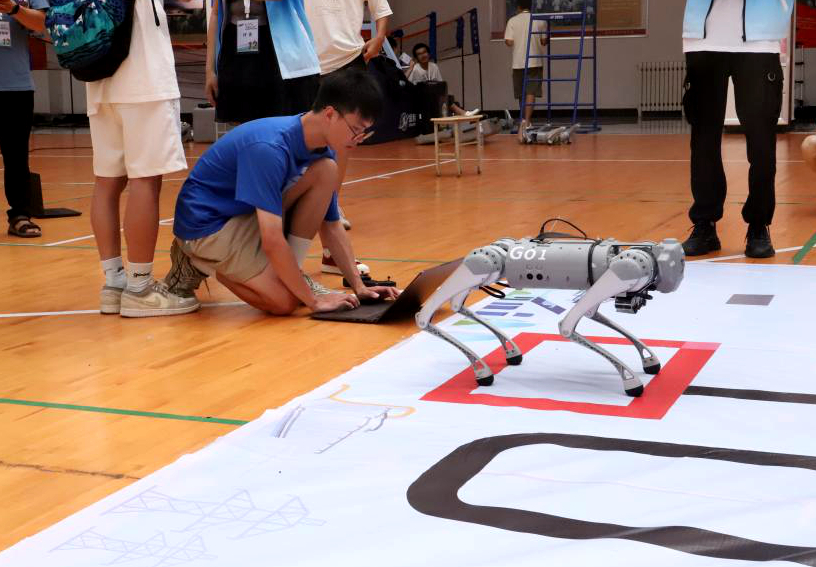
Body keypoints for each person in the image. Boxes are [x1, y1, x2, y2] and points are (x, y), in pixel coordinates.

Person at [163, 69, 400, 316]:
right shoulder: (269, 148)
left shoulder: (323, 149)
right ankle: (199, 262)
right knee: (285, 302)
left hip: (242, 213)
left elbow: (331, 226)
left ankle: (289, 275)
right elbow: (272, 239)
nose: (358, 139)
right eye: (356, 130)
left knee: (327, 170)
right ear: (330, 114)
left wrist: (359, 287)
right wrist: (313, 301)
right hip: (206, 225)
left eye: (365, 133)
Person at [87, 0, 194, 317]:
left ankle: (114, 283)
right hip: (144, 81)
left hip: (99, 81)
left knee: (106, 183)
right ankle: (140, 287)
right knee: (145, 181)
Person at [681, 0, 793, 258]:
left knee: (761, 140)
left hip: (760, 39)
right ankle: (705, 224)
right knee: (703, 141)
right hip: (703, 38)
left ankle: (758, 225)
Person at [305, 0, 391, 274]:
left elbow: (380, 8)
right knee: (302, 150)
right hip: (303, 61)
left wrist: (379, 37)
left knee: (340, 149)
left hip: (348, 60)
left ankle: (331, 246)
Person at [204, 0, 320, 124]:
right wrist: (210, 71)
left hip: (279, 54)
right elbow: (215, 14)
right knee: (242, 121)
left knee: (278, 122)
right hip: (235, 50)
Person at [0, 0, 47, 238]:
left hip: (15, 87)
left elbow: (41, 23)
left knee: (16, 156)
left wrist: (14, 9)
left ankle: (20, 215)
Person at [504, 0, 547, 142]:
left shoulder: (512, 21)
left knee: (522, 93)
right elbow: (544, 41)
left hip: (518, 62)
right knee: (531, 92)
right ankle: (527, 121)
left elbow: (509, 42)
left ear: (518, 7)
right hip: (535, 62)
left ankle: (523, 121)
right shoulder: (540, 21)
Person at [405, 42, 479, 117]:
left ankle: (458, 113)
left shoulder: (434, 66)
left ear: (428, 54)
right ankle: (462, 113)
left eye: (424, 52)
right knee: (439, 95)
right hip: (420, 97)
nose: (423, 55)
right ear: (416, 58)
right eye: (419, 54)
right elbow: (407, 86)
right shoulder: (415, 69)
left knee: (446, 95)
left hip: (432, 95)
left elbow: (440, 84)